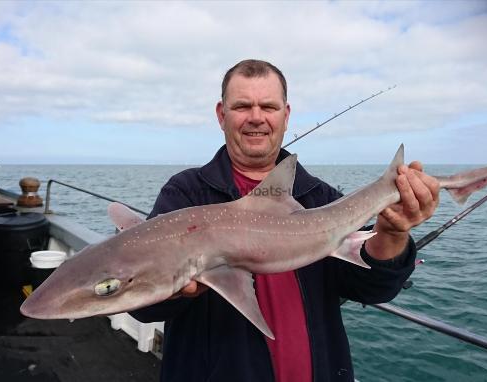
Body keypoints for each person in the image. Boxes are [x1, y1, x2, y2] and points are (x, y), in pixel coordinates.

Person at [130, 59, 440, 382]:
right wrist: (178, 289)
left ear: (286, 115)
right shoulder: (186, 194)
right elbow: (143, 305)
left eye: (268, 106)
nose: (256, 117)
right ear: (222, 115)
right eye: (242, 106)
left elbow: (370, 287)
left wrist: (390, 233)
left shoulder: (318, 198)